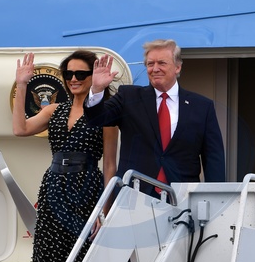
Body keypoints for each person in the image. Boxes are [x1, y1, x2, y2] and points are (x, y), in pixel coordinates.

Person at [13, 50, 130, 262]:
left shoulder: (106, 113)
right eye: (69, 74)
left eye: (81, 74)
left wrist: (105, 210)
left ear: (93, 77)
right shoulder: (54, 109)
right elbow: (20, 129)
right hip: (53, 191)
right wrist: (22, 85)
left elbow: (110, 165)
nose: (74, 79)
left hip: (87, 193)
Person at [84, 39, 225, 196]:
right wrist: (97, 90)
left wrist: (215, 197)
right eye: (150, 64)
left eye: (162, 63)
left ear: (177, 67)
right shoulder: (128, 97)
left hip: (181, 197)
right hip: (134, 194)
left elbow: (213, 158)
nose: (155, 69)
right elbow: (96, 119)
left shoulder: (202, 106)